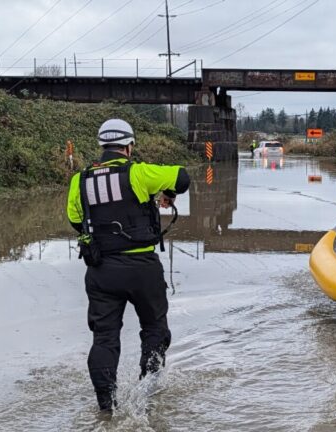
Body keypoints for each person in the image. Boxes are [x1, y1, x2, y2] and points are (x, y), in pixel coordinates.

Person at [66, 118, 191, 411]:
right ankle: (148, 394)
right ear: (129, 146)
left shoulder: (79, 180)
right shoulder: (138, 173)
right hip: (142, 267)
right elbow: (182, 178)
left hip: (101, 270)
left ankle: (106, 407)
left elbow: (75, 220)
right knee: (155, 328)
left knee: (104, 338)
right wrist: (168, 193)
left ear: (101, 146)